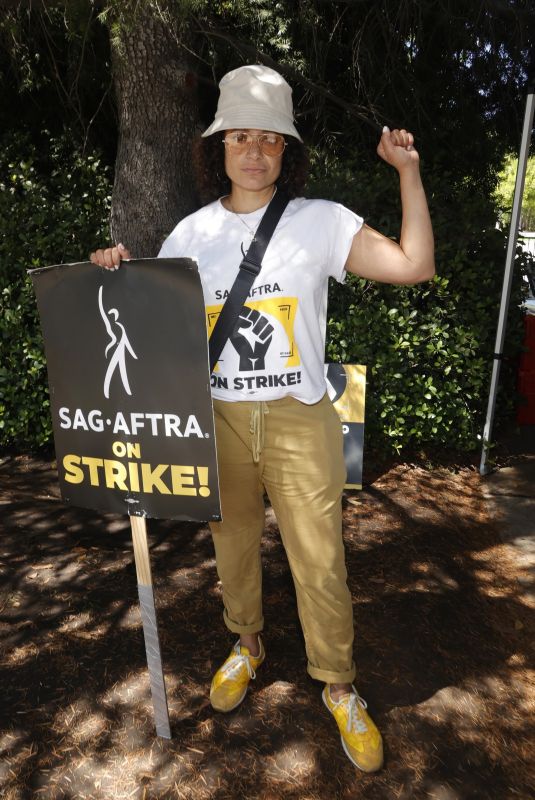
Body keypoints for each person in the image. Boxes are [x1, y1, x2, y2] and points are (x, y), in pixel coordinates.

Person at [90, 64, 435, 772]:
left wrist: (406, 172)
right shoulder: (191, 232)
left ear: (286, 151)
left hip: (301, 416)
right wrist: (113, 273)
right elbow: (148, 328)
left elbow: (413, 265)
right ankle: (246, 645)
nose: (253, 152)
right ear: (217, 148)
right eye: (238, 137)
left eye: (269, 140)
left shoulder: (320, 221)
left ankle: (337, 685)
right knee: (233, 545)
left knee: (321, 558)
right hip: (216, 416)